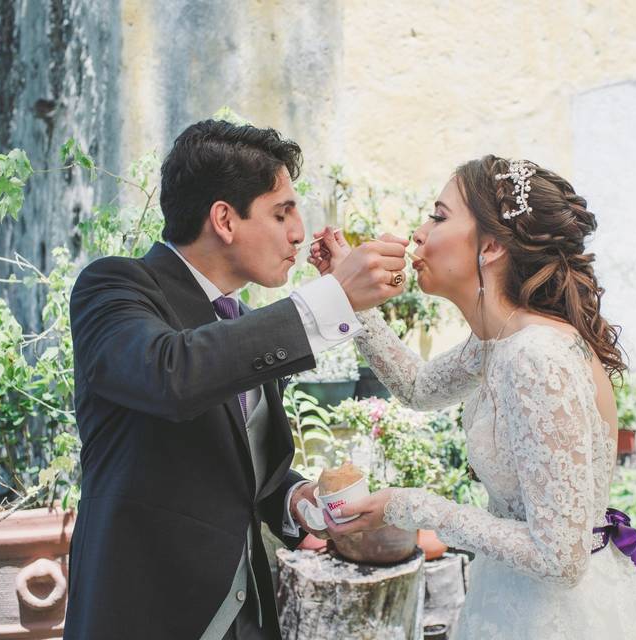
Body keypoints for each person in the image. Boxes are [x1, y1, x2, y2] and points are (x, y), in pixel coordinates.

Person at [64, 119, 408, 640]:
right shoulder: (114, 287)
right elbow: (171, 375)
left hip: (247, 618)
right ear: (224, 218)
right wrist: (333, 298)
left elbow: (245, 476)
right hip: (145, 614)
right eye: (281, 212)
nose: (299, 231)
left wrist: (298, 503)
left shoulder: (242, 322)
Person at [309, 156, 636, 639]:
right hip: (510, 599)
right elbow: (417, 388)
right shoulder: (499, 342)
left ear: (492, 246)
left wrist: (411, 507)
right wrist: (353, 303)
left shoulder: (535, 356)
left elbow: (559, 559)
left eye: (439, 216)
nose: (419, 233)